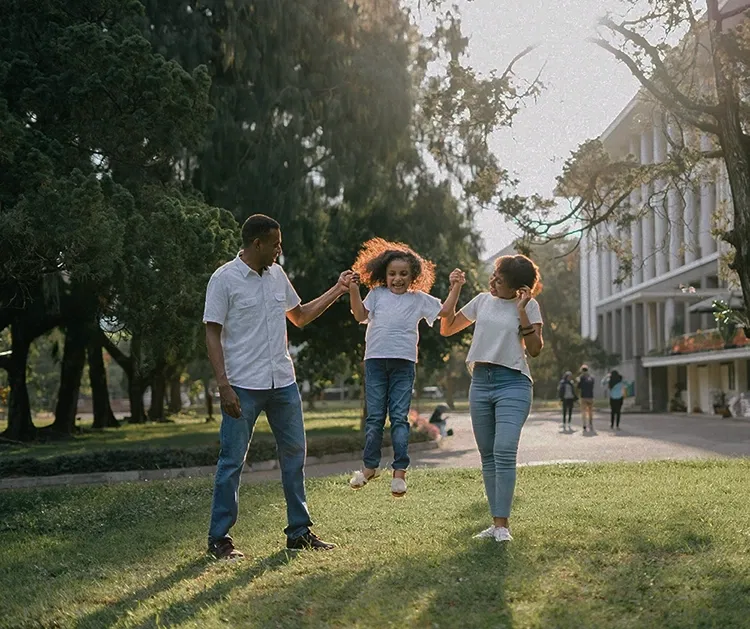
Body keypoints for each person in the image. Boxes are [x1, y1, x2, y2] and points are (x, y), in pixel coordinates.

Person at [203, 214, 353, 559]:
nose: (280, 249)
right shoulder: (224, 279)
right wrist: (223, 386)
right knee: (232, 462)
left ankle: (298, 532)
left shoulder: (277, 276)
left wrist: (337, 289)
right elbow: (211, 331)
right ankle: (219, 539)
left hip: (283, 383)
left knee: (294, 457)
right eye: (276, 243)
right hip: (242, 385)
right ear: (257, 243)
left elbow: (299, 316)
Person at [347, 237, 464, 497]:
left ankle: (399, 473)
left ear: (413, 276)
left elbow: (445, 311)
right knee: (375, 417)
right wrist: (353, 290)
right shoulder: (376, 294)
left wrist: (455, 286)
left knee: (399, 418)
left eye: (403, 274)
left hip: (403, 364)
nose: (397, 278)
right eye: (392, 274)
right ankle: (369, 468)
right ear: (383, 275)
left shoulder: (418, 299)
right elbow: (359, 315)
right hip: (376, 362)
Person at [440, 254, 544, 543]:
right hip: (481, 383)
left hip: (514, 382)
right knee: (488, 456)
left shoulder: (530, 305)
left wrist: (522, 310)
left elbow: (535, 349)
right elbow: (446, 328)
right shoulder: (482, 301)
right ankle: (496, 525)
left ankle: (503, 527)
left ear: (518, 288)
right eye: (495, 276)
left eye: (501, 279)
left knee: (504, 448)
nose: (493, 281)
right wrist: (455, 288)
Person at [577, 364, 596, 431]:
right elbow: (593, 385)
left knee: (583, 411)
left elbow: (578, 387)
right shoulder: (591, 377)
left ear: (582, 370)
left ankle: (584, 424)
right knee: (590, 411)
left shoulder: (581, 377)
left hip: (583, 397)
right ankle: (590, 423)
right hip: (590, 396)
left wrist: (578, 381)